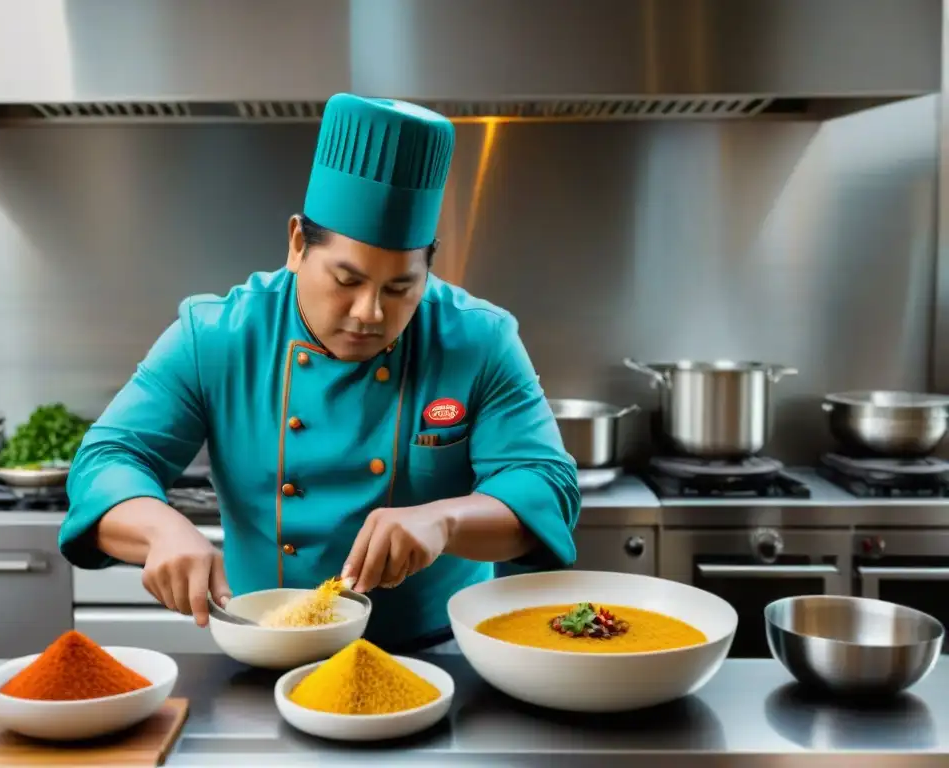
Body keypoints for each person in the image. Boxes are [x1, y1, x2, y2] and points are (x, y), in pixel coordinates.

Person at [59, 93, 581, 652]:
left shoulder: (478, 338)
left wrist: (445, 521)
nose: (370, 313)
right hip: (268, 654)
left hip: (440, 655)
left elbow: (545, 486)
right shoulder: (218, 334)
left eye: (400, 288)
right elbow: (107, 461)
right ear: (297, 244)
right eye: (347, 280)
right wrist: (160, 528)